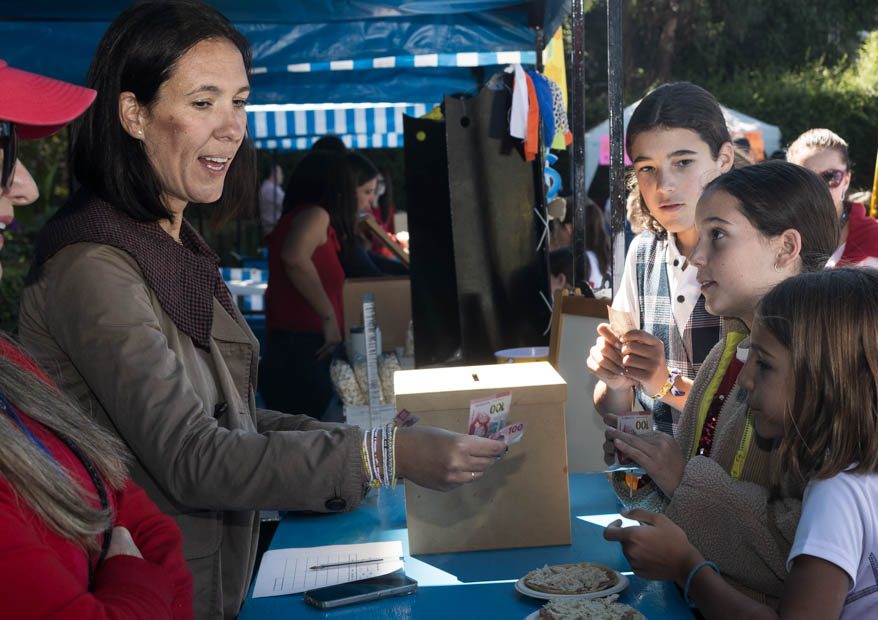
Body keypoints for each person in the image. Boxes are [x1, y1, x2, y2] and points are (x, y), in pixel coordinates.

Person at [16, 3, 507, 618]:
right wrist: (381, 457)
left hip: (208, 579)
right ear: (134, 114)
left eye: (240, 102)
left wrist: (374, 444)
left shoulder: (170, 244)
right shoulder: (93, 265)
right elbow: (195, 455)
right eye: (203, 102)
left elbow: (237, 419)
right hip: (149, 593)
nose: (231, 128)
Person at [607, 267, 878, 619]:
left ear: (825, 378)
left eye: (764, 364)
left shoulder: (840, 493)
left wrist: (687, 568)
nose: (744, 379)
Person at [594, 161, 840, 604]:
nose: (695, 256)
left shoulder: (824, 376)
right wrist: (649, 471)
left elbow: (797, 553)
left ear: (785, 248)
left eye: (718, 235)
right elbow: (692, 503)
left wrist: (681, 477)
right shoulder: (728, 349)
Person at [0, 60, 193, 618]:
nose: (28, 186)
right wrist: (130, 571)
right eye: (2, 141)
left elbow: (142, 516)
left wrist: (128, 582)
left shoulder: (9, 362)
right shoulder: (89, 263)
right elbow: (188, 456)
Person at [588, 82, 733, 436]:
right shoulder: (641, 255)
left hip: (737, 487)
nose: (664, 184)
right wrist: (617, 381)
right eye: (647, 168)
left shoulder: (755, 257)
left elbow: (768, 412)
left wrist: (665, 383)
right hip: (657, 486)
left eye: (683, 162)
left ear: (724, 160)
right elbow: (613, 408)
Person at [258, 150, 354, 417]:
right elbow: (294, 257)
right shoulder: (315, 215)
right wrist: (329, 318)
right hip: (303, 352)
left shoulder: (297, 217)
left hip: (293, 350)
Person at [786, 128, 878, 315]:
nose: (819, 189)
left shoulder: (875, 239)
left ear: (846, 180)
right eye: (807, 178)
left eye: (831, 177)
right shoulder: (774, 235)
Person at [258, 159, 284, 235]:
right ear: (274, 174)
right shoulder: (270, 189)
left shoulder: (268, 187)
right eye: (280, 173)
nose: (282, 176)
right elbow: (286, 203)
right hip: (273, 226)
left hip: (271, 225)